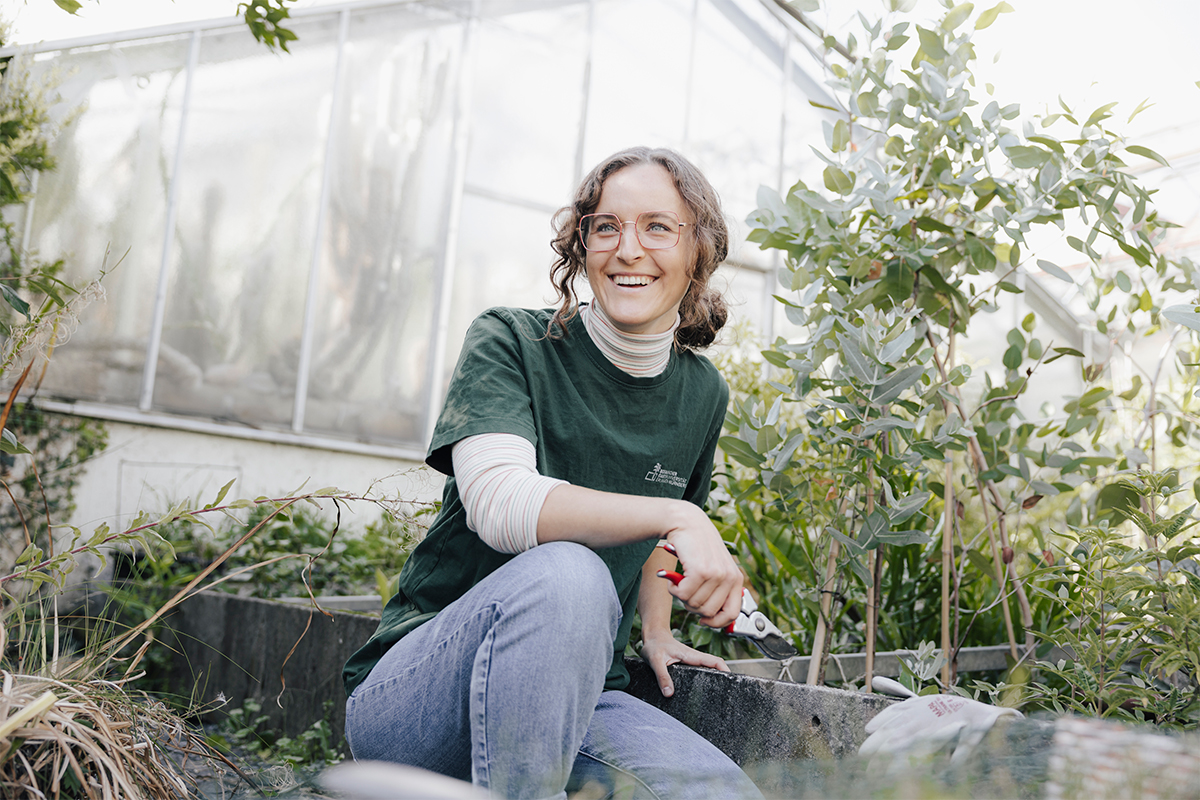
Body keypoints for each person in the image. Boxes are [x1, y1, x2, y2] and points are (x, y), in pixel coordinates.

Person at [342, 147, 763, 800]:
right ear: (582, 245)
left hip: (582, 696)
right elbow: (503, 505)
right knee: (568, 574)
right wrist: (681, 516)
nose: (628, 248)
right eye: (605, 226)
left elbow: (661, 525)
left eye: (657, 226)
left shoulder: (701, 392)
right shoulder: (509, 342)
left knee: (723, 795)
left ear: (698, 250)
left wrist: (657, 628)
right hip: (421, 698)